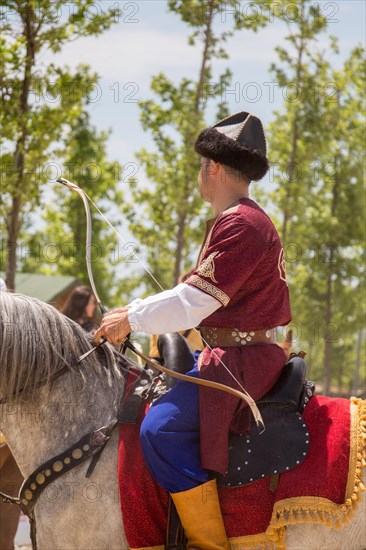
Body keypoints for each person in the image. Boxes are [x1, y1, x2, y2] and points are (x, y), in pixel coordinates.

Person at [94, 112, 291, 550]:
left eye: (200, 166)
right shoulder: (236, 220)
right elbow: (189, 295)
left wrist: (132, 318)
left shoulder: (242, 223)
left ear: (213, 168)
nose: (199, 174)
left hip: (242, 362)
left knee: (159, 430)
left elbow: (193, 304)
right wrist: (134, 309)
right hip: (229, 356)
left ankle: (209, 546)